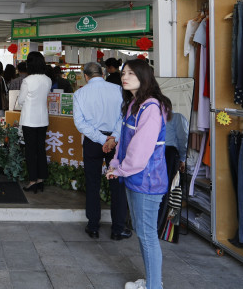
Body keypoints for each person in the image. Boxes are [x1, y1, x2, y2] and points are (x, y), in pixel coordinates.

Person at [107, 59, 172, 289]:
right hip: (135, 178)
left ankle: (154, 286)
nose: (125, 77)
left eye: (131, 73)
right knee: (143, 234)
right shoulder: (135, 104)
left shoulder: (151, 107)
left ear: (144, 77)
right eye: (124, 73)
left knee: (147, 236)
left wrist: (120, 169)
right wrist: (116, 163)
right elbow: (125, 142)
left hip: (147, 181)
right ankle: (152, 282)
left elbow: (140, 149)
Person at [72, 61, 129, 241]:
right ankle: (118, 229)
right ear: (103, 74)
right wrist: (112, 138)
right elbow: (124, 117)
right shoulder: (118, 90)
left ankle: (93, 226)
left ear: (86, 76)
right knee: (117, 184)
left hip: (92, 141)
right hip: (115, 142)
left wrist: (101, 139)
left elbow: (80, 123)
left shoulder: (79, 94)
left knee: (92, 183)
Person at [17, 52, 52, 192]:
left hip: (29, 120)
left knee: (30, 151)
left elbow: (20, 101)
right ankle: (41, 179)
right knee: (40, 149)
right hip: (43, 119)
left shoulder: (27, 80)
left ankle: (32, 181)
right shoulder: (48, 80)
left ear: (29, 64)